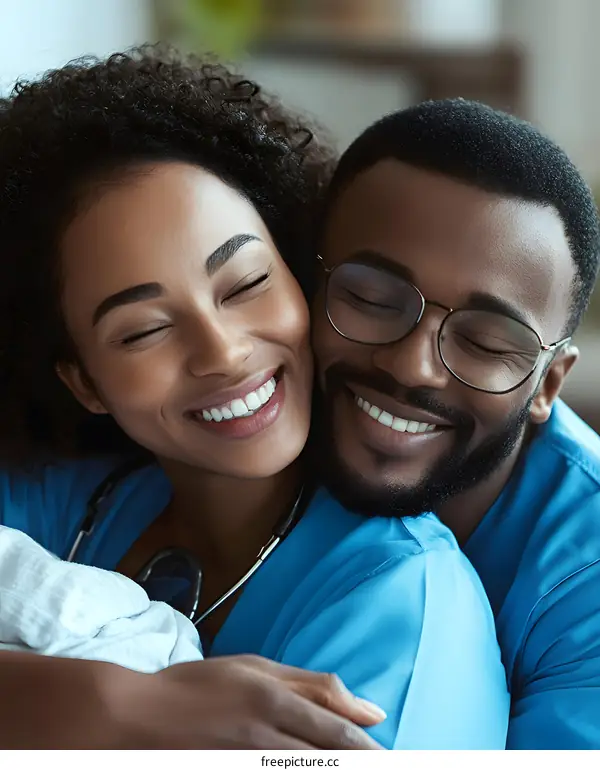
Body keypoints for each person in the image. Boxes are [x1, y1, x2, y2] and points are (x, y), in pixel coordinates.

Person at [0, 49, 508, 749]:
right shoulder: (62, 503)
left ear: (300, 276)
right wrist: (116, 706)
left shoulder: (399, 602)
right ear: (84, 381)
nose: (223, 352)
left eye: (245, 284)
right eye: (144, 330)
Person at [310, 98, 600, 749]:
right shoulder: (248, 419)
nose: (412, 366)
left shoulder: (587, 584)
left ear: (549, 385)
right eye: (371, 299)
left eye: (487, 342)